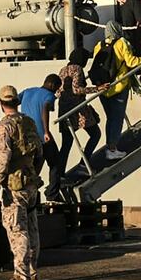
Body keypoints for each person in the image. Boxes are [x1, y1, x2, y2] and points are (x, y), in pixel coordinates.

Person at [0, 85, 43, 280]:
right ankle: (33, 273)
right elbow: (40, 152)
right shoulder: (29, 122)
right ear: (17, 102)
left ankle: (20, 276)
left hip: (13, 186)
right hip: (30, 182)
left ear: (1, 103)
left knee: (17, 229)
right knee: (32, 227)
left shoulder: (4, 127)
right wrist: (33, 172)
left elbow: (2, 160)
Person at [93, 21, 141, 160]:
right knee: (117, 118)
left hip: (103, 88)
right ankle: (112, 148)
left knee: (110, 119)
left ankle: (110, 146)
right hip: (119, 86)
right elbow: (131, 62)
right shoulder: (122, 42)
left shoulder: (99, 45)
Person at [57, 48, 104, 196]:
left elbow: (59, 92)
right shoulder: (77, 69)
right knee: (95, 134)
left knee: (66, 144)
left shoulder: (62, 70)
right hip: (77, 109)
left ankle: (59, 175)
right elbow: (77, 89)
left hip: (64, 110)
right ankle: (84, 164)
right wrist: (96, 89)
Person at [19, 74, 62, 200]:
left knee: (34, 166)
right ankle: (52, 194)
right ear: (52, 85)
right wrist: (46, 131)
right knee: (55, 164)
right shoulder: (49, 95)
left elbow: (14, 100)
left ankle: (29, 193)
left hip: (27, 137)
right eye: (57, 88)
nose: (56, 91)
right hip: (42, 137)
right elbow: (45, 108)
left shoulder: (28, 91)